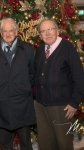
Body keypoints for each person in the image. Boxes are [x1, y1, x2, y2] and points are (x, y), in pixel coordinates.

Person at [34, 18, 84, 150]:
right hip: (40, 106)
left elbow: (79, 77)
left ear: (57, 30)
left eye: (50, 29)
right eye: (43, 31)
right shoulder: (40, 50)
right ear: (40, 35)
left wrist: (74, 102)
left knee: (64, 144)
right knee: (45, 144)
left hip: (62, 107)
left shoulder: (67, 48)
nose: (47, 33)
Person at [0, 18, 35, 150]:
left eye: (11, 31)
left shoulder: (27, 49)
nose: (8, 34)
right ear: (1, 32)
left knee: (26, 143)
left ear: (16, 31)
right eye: (5, 31)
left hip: (22, 103)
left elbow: (32, 74)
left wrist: (22, 86)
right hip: (1, 103)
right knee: (5, 143)